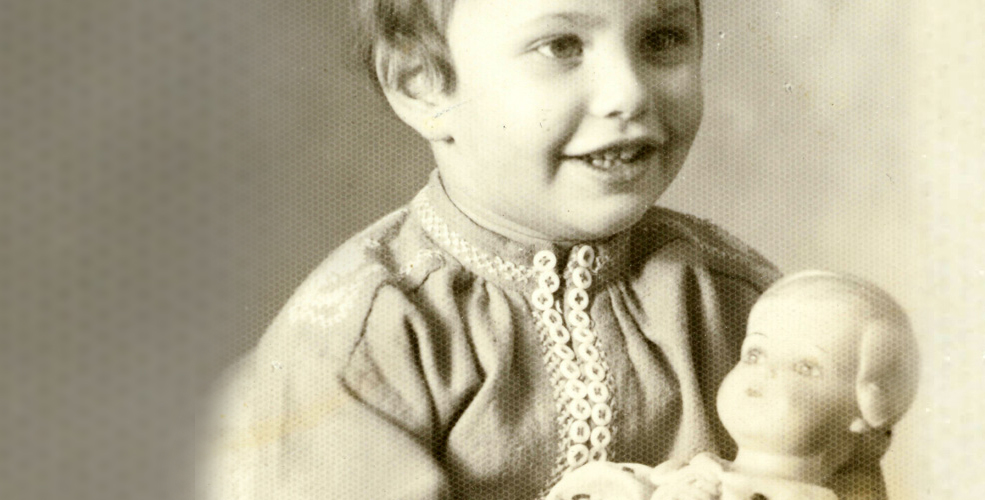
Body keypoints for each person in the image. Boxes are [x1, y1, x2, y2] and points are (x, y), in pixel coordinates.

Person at [200, 1, 889, 499]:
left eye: (663, 38)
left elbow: (847, 473)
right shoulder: (359, 340)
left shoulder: (740, 301)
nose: (630, 91)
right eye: (561, 46)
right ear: (423, 84)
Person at [544, 271, 920, 500]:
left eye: (805, 367)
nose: (766, 372)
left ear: (865, 408)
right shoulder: (667, 476)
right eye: (755, 354)